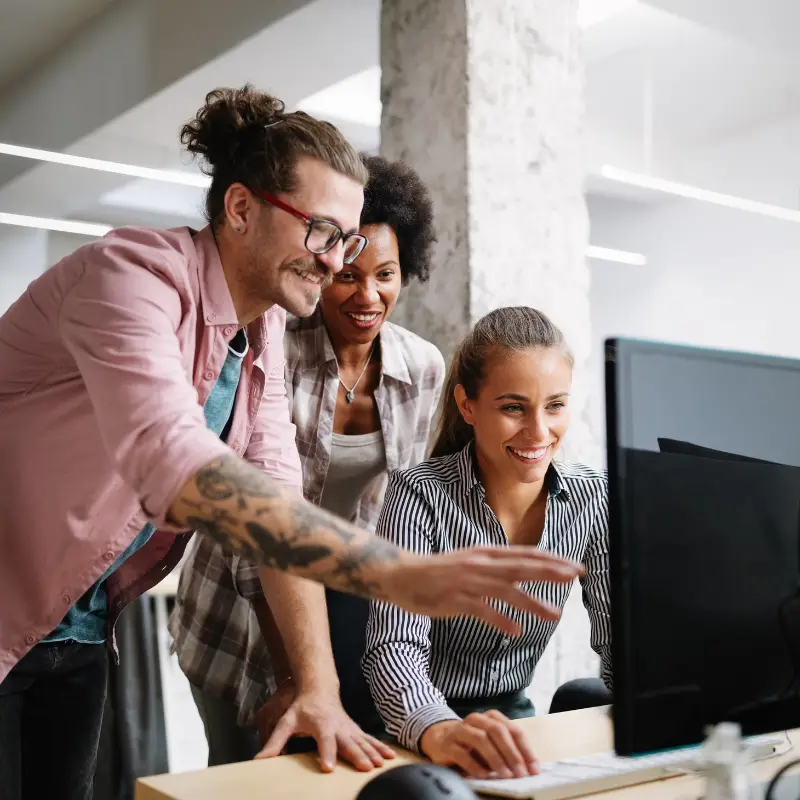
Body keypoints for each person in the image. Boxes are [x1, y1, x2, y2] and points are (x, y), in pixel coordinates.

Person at [0, 82, 583, 800]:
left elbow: (276, 493)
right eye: (325, 232)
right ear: (240, 209)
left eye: (347, 237)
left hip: (79, 624)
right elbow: (172, 459)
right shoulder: (128, 279)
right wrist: (391, 572)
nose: (339, 262)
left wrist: (317, 688)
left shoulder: (262, 330)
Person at [170, 153, 445, 772]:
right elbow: (251, 528)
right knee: (244, 773)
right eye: (349, 274)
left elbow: (402, 512)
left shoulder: (423, 367)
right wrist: (294, 673)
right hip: (236, 611)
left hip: (341, 612)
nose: (368, 296)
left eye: (387, 275)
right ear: (324, 267)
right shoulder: (272, 348)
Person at [362, 307, 612, 781]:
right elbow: (395, 647)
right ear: (468, 405)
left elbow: (624, 636)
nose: (539, 432)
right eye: (514, 407)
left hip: (512, 725)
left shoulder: (594, 495)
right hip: (412, 734)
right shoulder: (420, 493)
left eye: (555, 405)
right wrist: (440, 731)